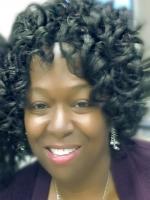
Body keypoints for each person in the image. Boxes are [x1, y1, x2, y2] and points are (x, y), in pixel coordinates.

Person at [0, 0, 150, 199]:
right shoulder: (13, 193)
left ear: (113, 106)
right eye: (40, 105)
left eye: (81, 103)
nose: (59, 127)